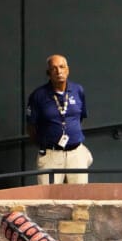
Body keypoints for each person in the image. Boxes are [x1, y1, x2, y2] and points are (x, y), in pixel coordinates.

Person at [26, 54, 92, 184]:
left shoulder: (78, 90)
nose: (59, 71)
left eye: (62, 67)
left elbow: (79, 119)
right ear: (48, 73)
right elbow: (31, 127)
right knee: (49, 199)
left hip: (76, 153)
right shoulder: (38, 95)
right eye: (54, 68)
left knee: (79, 198)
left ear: (68, 70)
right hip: (51, 155)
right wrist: (46, 144)